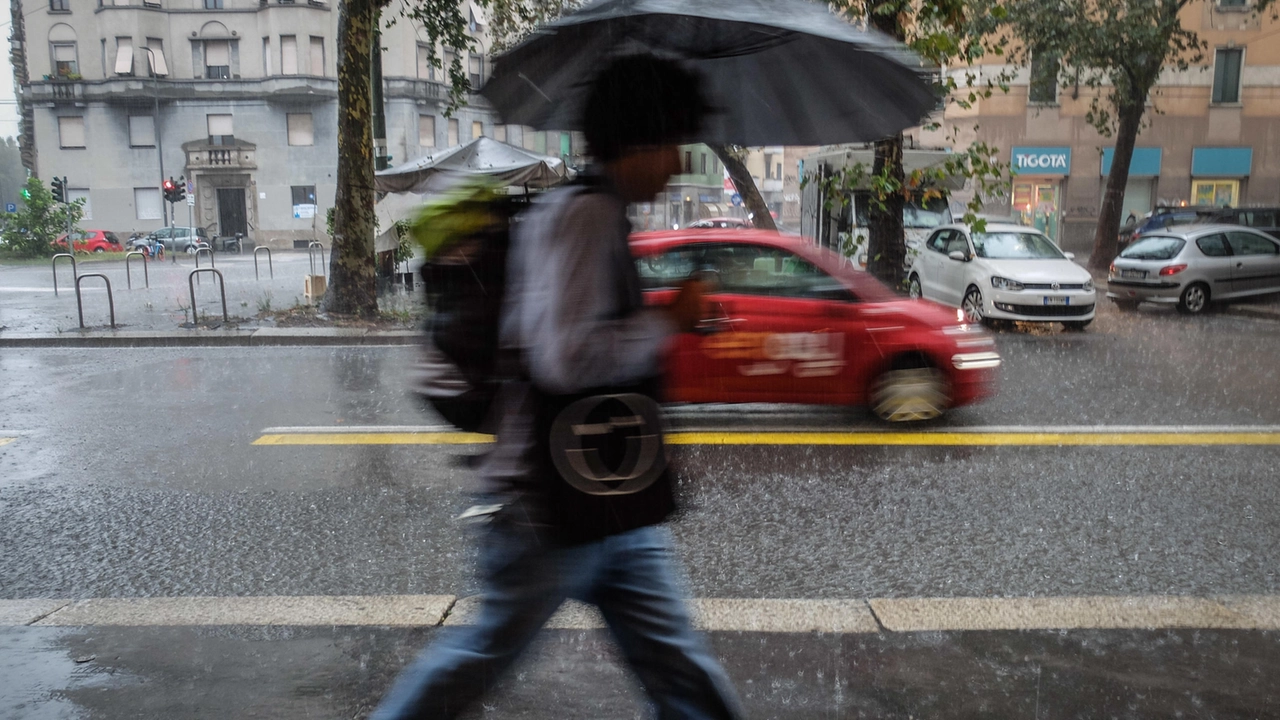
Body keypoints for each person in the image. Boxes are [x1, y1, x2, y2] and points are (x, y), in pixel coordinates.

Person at [370, 55, 743, 720]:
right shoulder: (585, 216)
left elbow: (581, 334)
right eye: (674, 146)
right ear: (639, 140)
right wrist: (669, 320)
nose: (679, 165)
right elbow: (565, 359)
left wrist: (670, 319)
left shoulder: (588, 212)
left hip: (608, 502)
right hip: (549, 511)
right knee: (478, 661)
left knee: (682, 672)